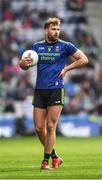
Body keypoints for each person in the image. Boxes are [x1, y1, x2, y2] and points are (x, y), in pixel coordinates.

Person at [19, 17, 88, 170]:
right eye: (53, 29)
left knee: (51, 126)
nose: (56, 31)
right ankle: (55, 156)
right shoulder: (36, 47)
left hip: (56, 89)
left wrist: (66, 69)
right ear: (46, 30)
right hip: (40, 90)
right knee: (38, 128)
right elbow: (25, 66)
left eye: (58, 29)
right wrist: (22, 64)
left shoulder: (66, 46)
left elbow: (84, 59)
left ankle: (45, 162)